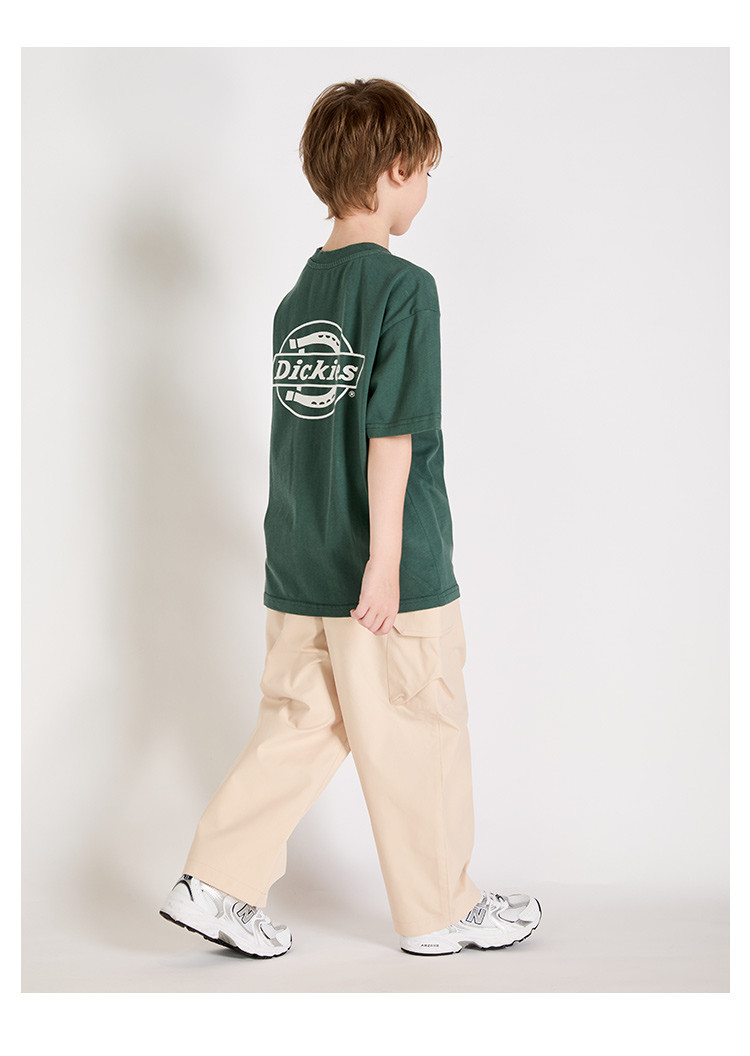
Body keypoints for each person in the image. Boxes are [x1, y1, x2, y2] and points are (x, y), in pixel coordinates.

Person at [160, 77, 542, 958]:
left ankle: (215, 881)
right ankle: (440, 910)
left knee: (302, 723)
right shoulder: (405, 288)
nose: (426, 188)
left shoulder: (297, 301)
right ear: (396, 167)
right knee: (421, 725)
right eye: (425, 171)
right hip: (385, 568)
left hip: (299, 563)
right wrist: (387, 560)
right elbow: (391, 434)